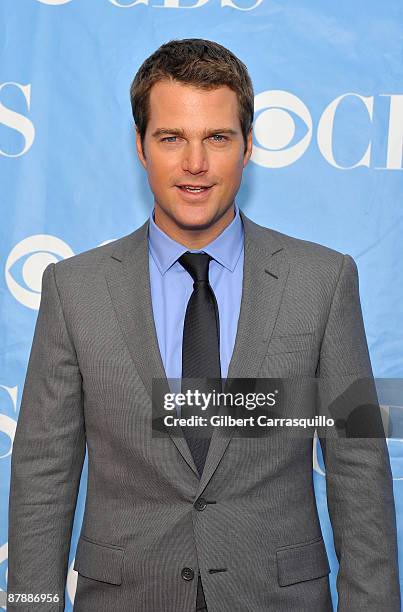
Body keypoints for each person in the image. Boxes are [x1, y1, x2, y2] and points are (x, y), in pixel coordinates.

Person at [7, 38, 400, 612]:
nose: (195, 163)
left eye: (217, 137)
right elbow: (44, 474)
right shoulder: (75, 289)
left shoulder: (324, 280)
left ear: (247, 147)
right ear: (140, 146)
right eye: (172, 138)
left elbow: (359, 473)